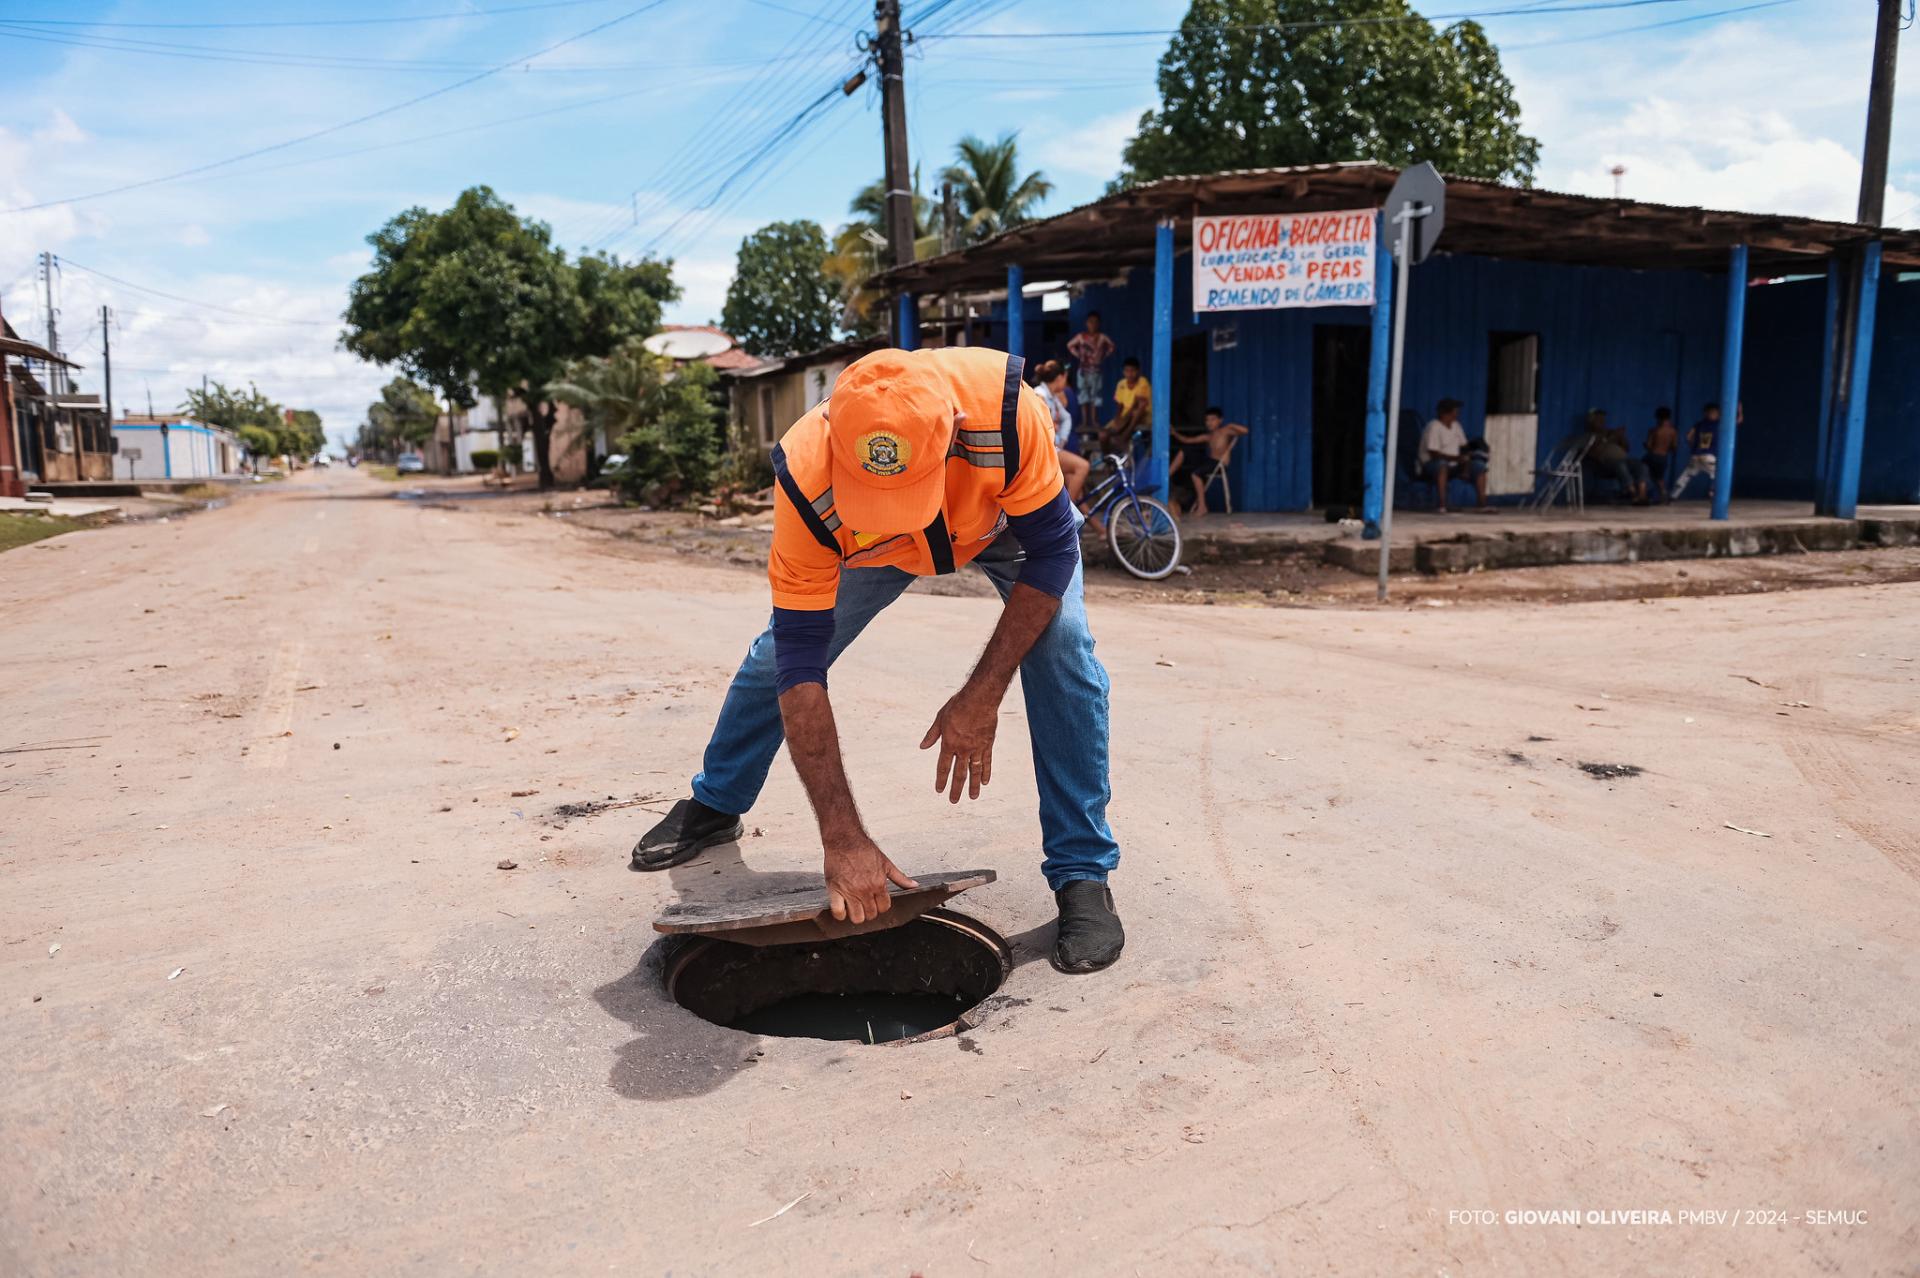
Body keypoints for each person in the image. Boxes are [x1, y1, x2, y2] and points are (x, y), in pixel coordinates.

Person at [631, 347, 1125, 975]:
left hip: (1004, 529)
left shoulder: (1005, 413)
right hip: (878, 547)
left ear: (949, 434)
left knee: (1065, 651)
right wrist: (841, 836)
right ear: (838, 438)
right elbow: (800, 668)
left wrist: (980, 695)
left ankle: (1082, 872)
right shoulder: (806, 474)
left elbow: (1054, 552)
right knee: (774, 658)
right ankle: (718, 801)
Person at [1169, 406, 1249, 517]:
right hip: (1209, 462)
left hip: (1219, 464)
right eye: (1207, 420)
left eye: (1213, 419)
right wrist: (1175, 433)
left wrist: (1231, 425)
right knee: (1184, 451)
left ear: (1220, 420)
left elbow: (1245, 431)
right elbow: (1187, 440)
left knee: (1195, 474)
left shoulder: (1225, 431)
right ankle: (1167, 475)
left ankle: (1202, 507)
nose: (1209, 423)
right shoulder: (1208, 436)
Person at [1417, 397, 1490, 513]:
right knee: (1442, 465)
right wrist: (1457, 458)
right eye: (1454, 411)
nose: (1456, 414)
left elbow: (1464, 447)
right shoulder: (1433, 426)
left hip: (1454, 465)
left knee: (1479, 466)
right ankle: (1442, 505)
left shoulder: (1456, 426)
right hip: (1431, 466)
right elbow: (1434, 454)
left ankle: (1482, 504)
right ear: (1445, 413)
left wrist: (1467, 462)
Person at [1033, 359, 1089, 502]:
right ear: (1060, 378)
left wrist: (1062, 440)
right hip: (1042, 450)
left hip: (1053, 447)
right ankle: (1067, 514)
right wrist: (1052, 427)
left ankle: (1071, 516)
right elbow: (1038, 423)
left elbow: (1067, 418)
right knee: (1083, 467)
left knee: (1073, 482)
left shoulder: (1052, 397)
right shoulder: (1040, 394)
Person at [1580, 408, 1648, 504]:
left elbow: (1626, 449)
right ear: (1591, 421)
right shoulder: (1589, 436)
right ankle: (1633, 494)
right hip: (1604, 465)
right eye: (1598, 419)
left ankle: (1642, 496)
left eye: (1603, 419)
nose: (1602, 421)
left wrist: (1621, 437)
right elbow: (1593, 454)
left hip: (1624, 460)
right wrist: (1609, 439)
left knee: (1641, 465)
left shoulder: (1610, 432)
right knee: (1620, 465)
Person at [1065, 312, 1115, 437]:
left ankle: (1093, 421)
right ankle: (1084, 421)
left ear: (1099, 324)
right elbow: (1070, 345)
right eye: (1090, 321)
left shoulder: (1102, 337)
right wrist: (1080, 356)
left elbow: (1111, 347)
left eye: (1095, 322)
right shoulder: (1081, 336)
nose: (1092, 324)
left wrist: (1102, 356)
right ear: (1086, 323)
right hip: (1083, 370)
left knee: (1095, 396)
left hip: (1096, 370)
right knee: (1083, 395)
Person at [1098, 357, 1151, 456]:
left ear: (1138, 371)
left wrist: (1122, 425)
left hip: (1140, 418)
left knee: (1136, 411)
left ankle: (1124, 437)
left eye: (1132, 371)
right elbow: (1120, 405)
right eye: (1127, 371)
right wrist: (1117, 420)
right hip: (1125, 417)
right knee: (1103, 435)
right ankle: (1108, 459)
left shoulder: (1143, 382)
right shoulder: (1121, 384)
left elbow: (1138, 405)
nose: (1130, 374)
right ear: (1123, 371)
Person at [1671, 402, 1722, 500]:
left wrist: (1694, 447)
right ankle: (1712, 492)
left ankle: (1673, 495)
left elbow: (1688, 436)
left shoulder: (1699, 424)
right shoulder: (1718, 424)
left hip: (1696, 455)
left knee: (1686, 475)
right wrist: (1740, 411)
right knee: (1718, 473)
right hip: (1708, 455)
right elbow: (1737, 421)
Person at [1643, 407, 1679, 502]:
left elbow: (1648, 445)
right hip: (1663, 457)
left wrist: (1646, 445)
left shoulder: (1654, 430)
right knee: (1659, 478)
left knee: (1643, 475)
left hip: (1652, 456)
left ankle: (1643, 495)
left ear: (1657, 417)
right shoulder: (1673, 431)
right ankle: (1663, 494)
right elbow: (1674, 447)